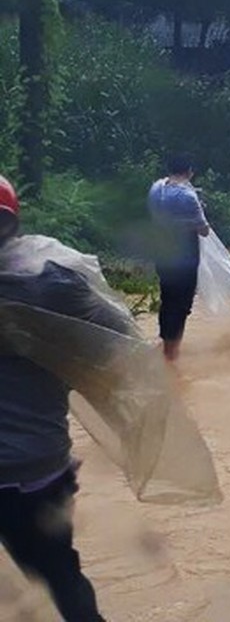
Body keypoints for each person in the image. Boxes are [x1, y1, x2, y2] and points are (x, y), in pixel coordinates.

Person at [0, 175, 106, 621]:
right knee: (62, 573)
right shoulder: (55, 282)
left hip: (34, 469)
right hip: (40, 470)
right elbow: (110, 356)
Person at [148, 154, 210, 361]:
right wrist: (200, 209)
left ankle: (166, 343)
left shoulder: (156, 188)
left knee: (167, 299)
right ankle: (172, 353)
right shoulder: (188, 196)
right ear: (189, 171)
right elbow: (203, 231)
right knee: (181, 304)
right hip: (185, 256)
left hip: (162, 250)